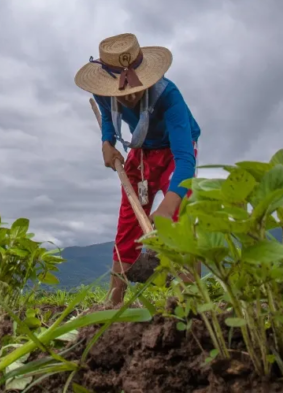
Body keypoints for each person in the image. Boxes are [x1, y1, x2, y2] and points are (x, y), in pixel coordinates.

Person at [74, 33, 200, 307]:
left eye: (135, 88)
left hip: (174, 151)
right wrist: (107, 142)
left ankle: (192, 299)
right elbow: (108, 116)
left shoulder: (169, 96)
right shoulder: (103, 93)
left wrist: (168, 205)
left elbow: (185, 160)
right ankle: (114, 300)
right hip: (142, 151)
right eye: (122, 92)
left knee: (181, 214)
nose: (130, 96)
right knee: (128, 219)